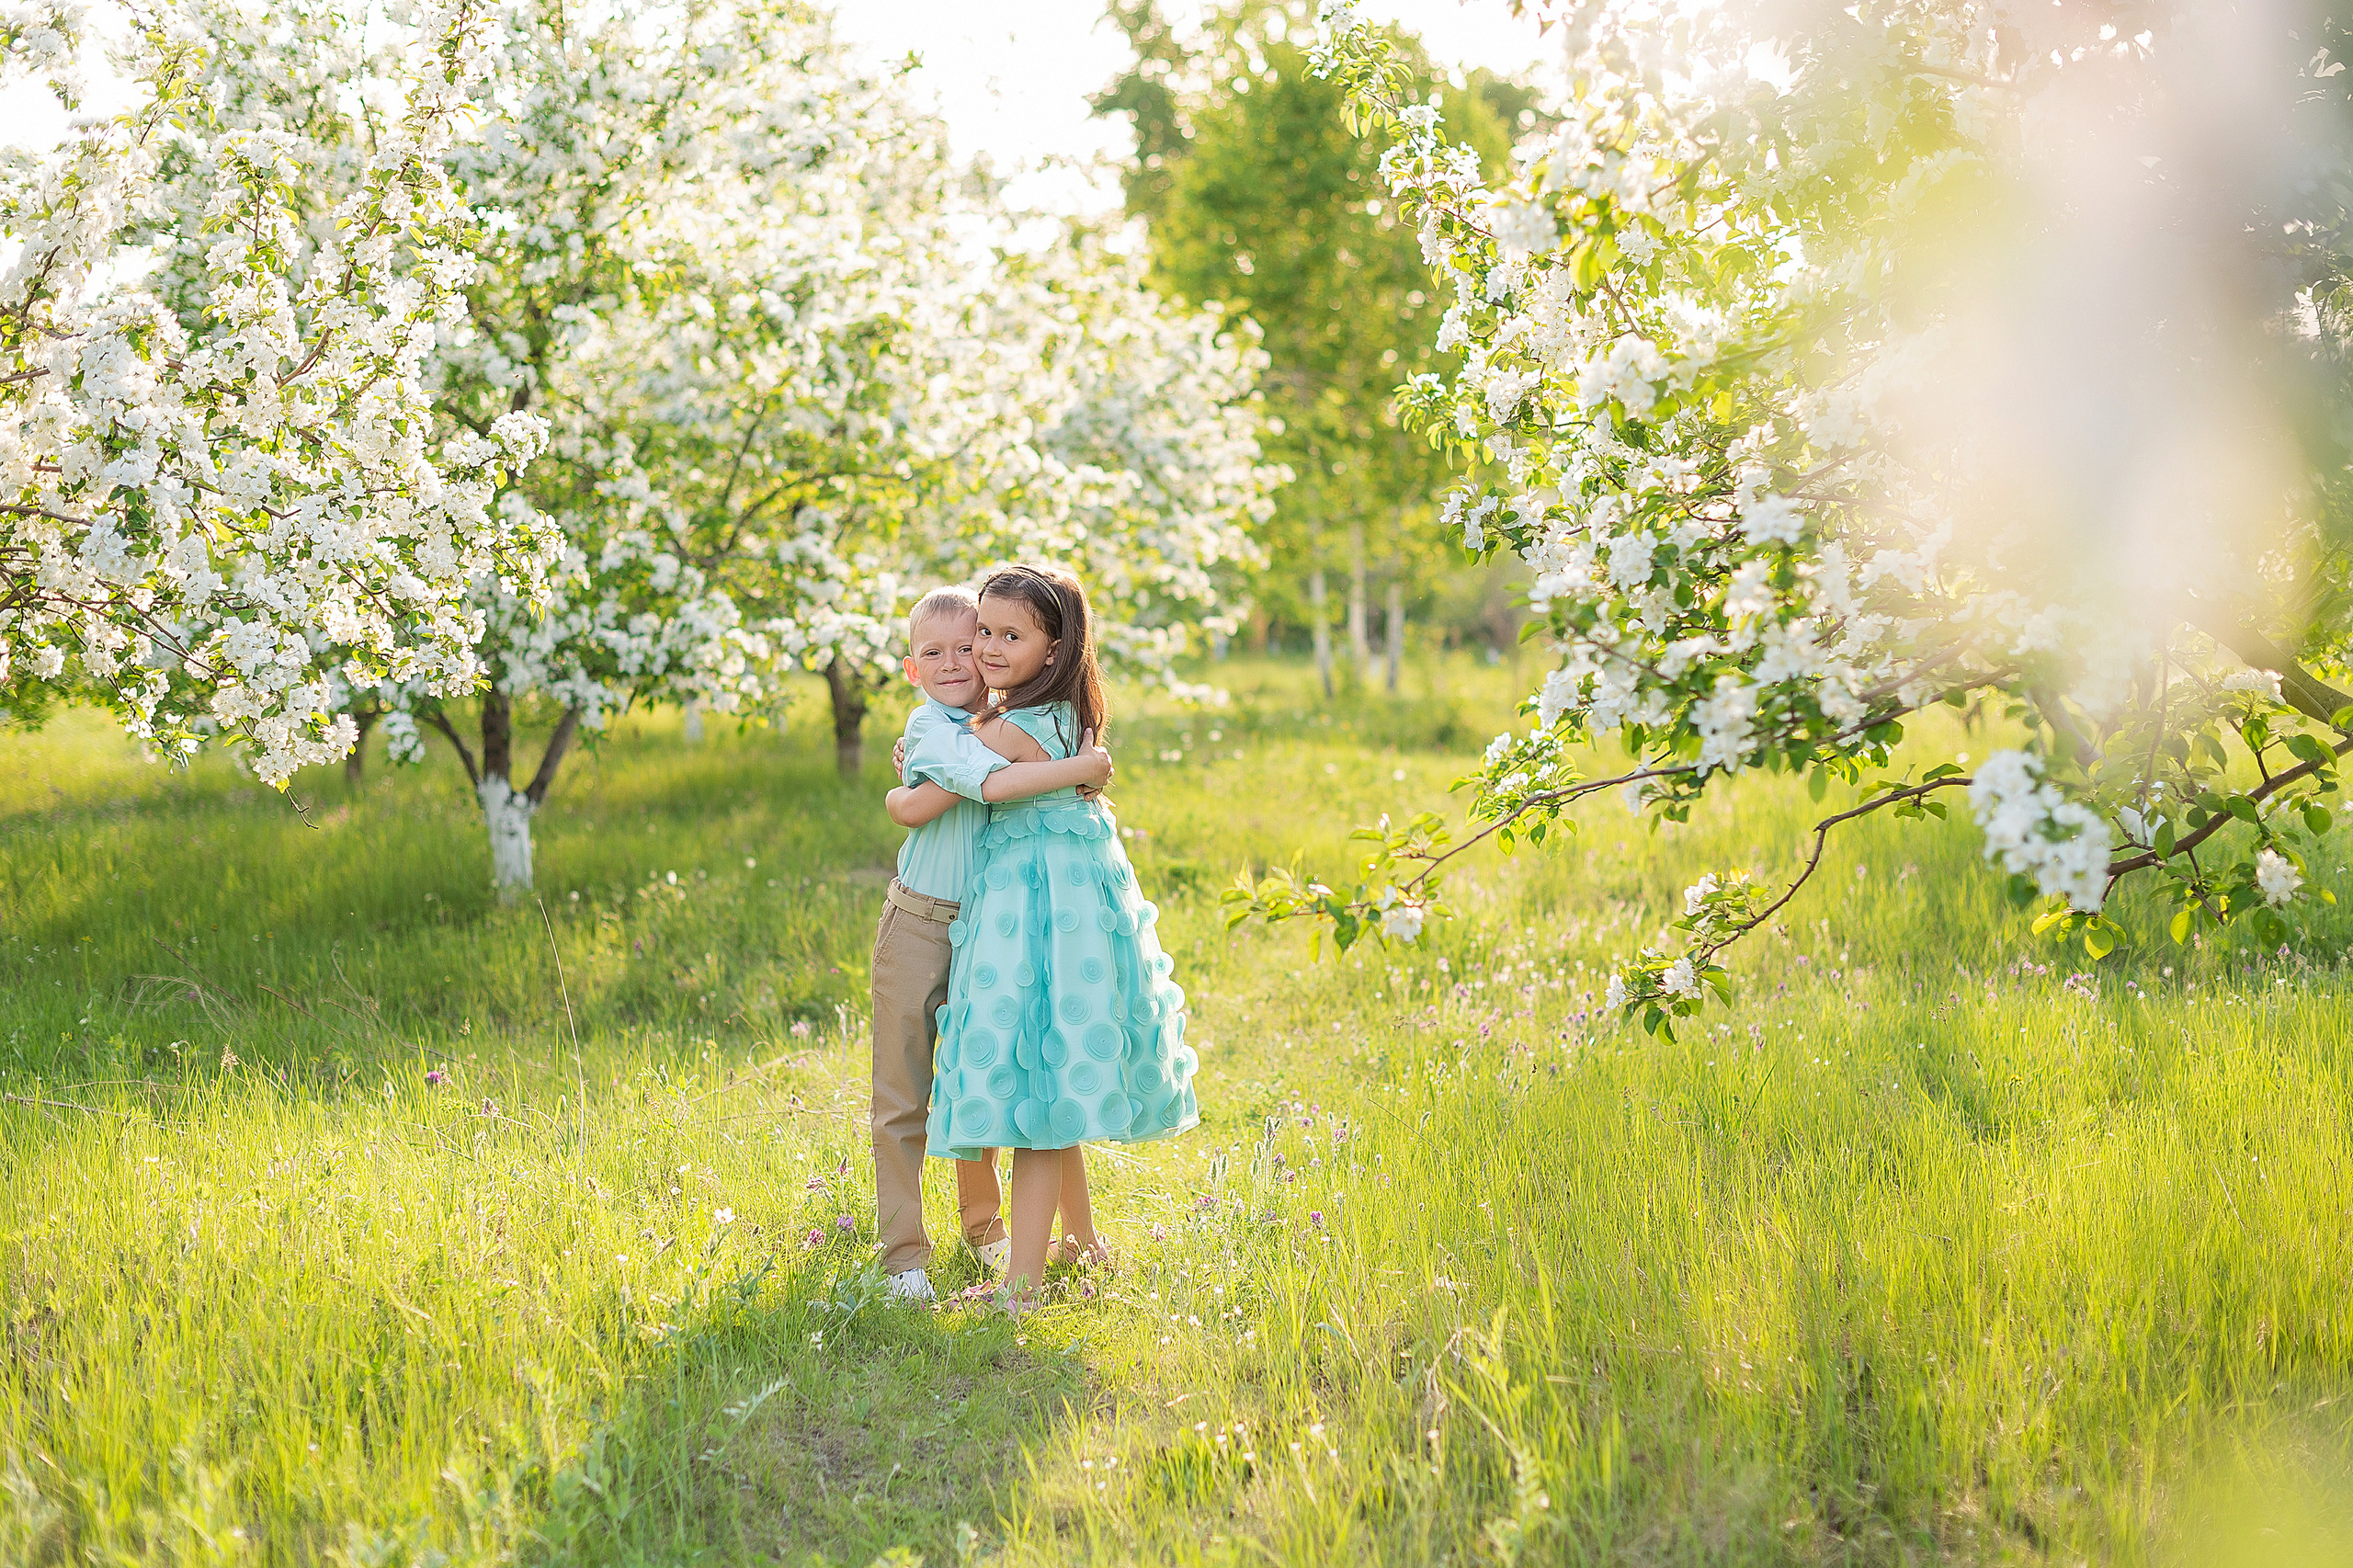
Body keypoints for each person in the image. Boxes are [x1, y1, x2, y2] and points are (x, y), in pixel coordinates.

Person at [896, 563, 1198, 1305]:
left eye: (1009, 635)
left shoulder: (1001, 726)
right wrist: (1087, 762)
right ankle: (1086, 1243)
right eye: (984, 633)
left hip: (1031, 906)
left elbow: (948, 796)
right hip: (1079, 902)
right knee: (1056, 1064)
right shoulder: (1074, 715)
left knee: (1035, 1087)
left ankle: (1021, 1289)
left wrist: (910, 778)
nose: (988, 648)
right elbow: (1065, 769)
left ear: (1054, 649)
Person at [870, 585, 1113, 1305]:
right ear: (912, 668)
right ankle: (904, 1255)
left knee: (981, 1077)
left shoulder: (999, 719)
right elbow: (947, 795)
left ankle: (987, 1233)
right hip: (921, 920)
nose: (958, 659)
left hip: (989, 926)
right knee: (904, 1095)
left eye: (969, 643)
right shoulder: (938, 730)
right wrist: (1082, 770)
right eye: (932, 652)